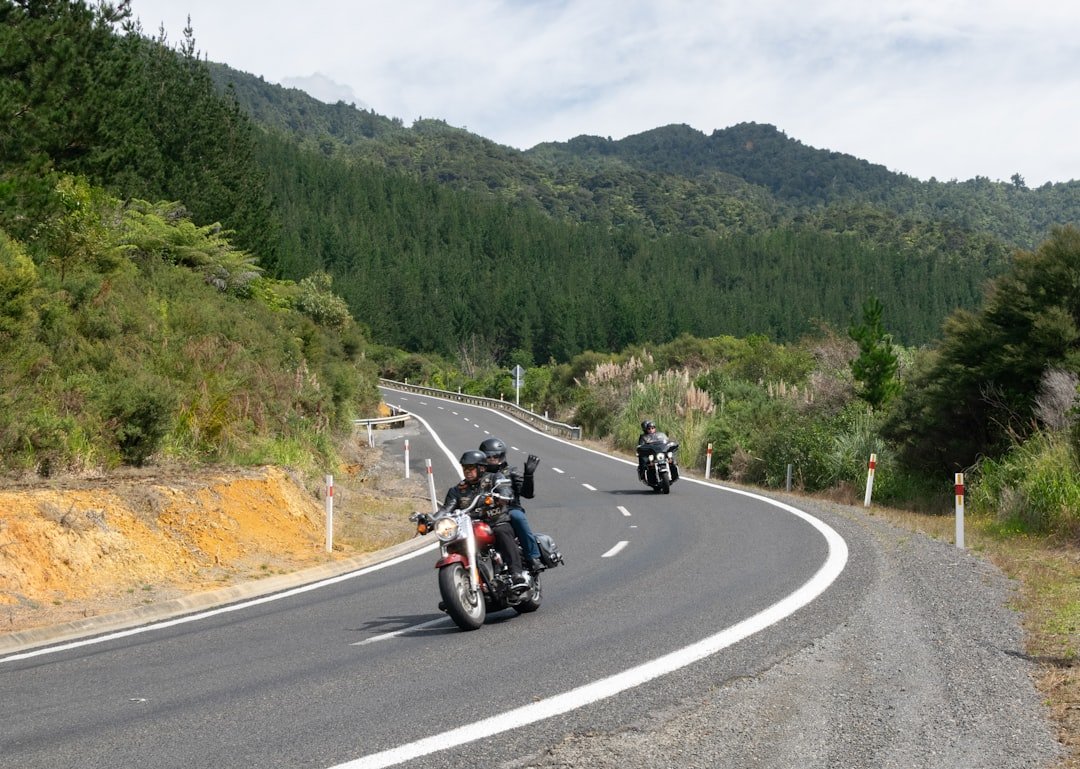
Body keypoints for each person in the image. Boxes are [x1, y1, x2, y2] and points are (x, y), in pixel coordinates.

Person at [439, 449, 529, 590]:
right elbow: (446, 509)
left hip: (495, 520)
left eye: (471, 468)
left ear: (481, 468)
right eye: (465, 468)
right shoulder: (457, 490)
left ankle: (516, 574)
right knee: (454, 543)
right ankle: (457, 586)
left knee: (502, 531)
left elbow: (505, 489)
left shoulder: (495, 478)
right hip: (470, 526)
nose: (467, 471)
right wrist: (430, 519)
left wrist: (501, 496)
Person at [478, 437, 544, 572]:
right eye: (488, 457)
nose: (492, 459)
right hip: (486, 512)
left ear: (501, 457)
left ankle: (533, 556)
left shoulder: (511, 472)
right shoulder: (478, 476)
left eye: (495, 456)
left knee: (518, 517)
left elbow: (527, 494)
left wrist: (528, 476)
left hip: (509, 509)